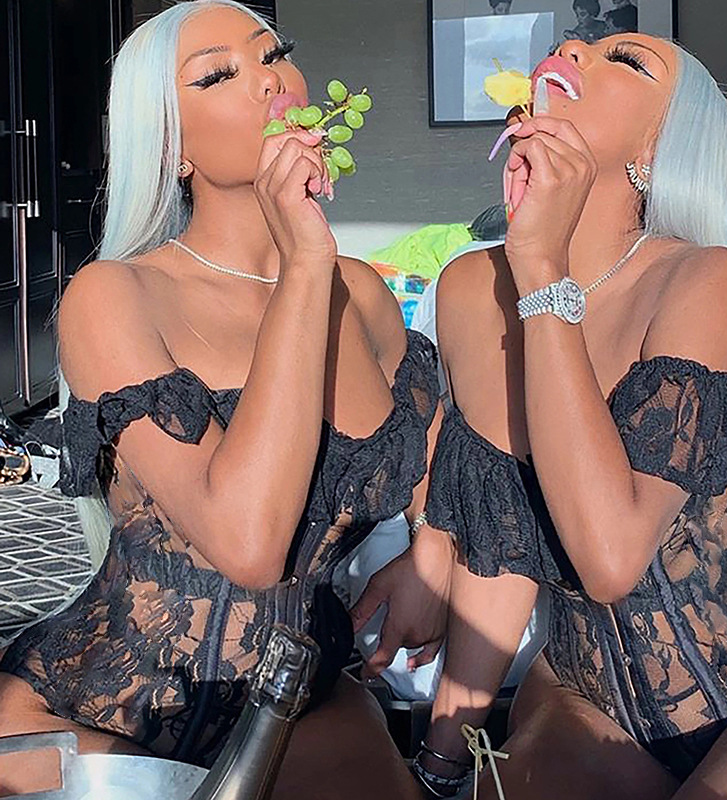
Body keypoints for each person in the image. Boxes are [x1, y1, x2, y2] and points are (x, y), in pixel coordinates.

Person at [0, 2, 441, 798]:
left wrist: (433, 555)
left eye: (274, 53)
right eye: (218, 75)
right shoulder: (114, 295)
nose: (269, 80)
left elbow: (445, 471)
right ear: (171, 146)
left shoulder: (362, 296)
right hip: (109, 704)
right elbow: (248, 543)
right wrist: (305, 266)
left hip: (305, 699)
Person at [359, 34, 727, 799]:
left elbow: (611, 559)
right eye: (578, 43)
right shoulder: (472, 288)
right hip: (580, 691)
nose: (573, 48)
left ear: (657, 148)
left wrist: (541, 268)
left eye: (626, 61)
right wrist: (442, 760)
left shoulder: (707, 280)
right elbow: (504, 543)